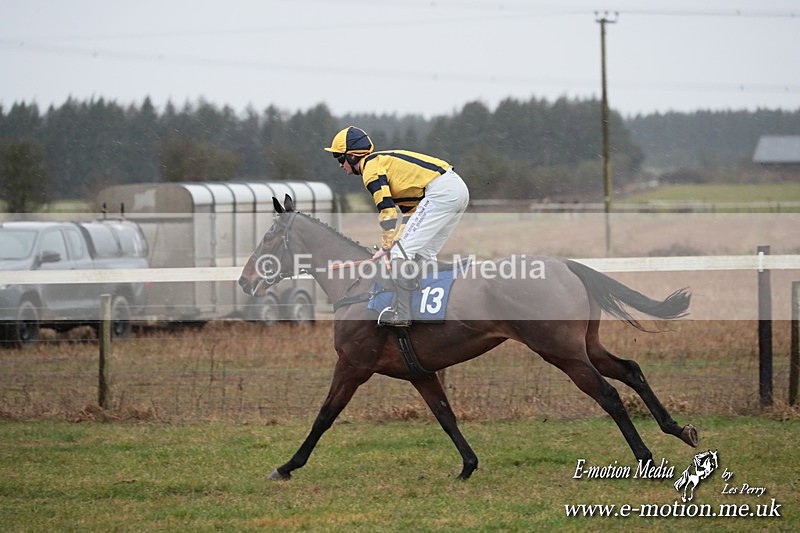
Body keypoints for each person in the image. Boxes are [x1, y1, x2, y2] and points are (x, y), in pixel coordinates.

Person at [325, 125, 470, 327]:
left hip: (442, 192)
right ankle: (427, 307)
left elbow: (387, 211)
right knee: (423, 255)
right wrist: (396, 242)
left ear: (352, 157)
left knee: (400, 255)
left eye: (340, 158)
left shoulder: (371, 169)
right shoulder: (382, 163)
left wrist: (387, 246)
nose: (340, 165)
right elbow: (412, 213)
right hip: (456, 190)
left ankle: (402, 315)